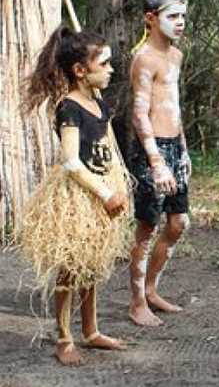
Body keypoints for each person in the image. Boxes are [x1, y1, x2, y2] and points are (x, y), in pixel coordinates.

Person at [19, 27, 131, 365]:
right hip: (79, 196)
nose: (112, 69)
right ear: (81, 70)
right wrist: (103, 192)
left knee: (93, 264)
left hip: (105, 189)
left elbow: (108, 143)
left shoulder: (97, 100)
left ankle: (91, 330)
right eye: (105, 63)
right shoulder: (69, 107)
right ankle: (65, 336)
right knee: (71, 267)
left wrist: (118, 183)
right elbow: (70, 161)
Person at [127, 0, 193, 326]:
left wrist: (182, 153)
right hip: (150, 152)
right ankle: (137, 302)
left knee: (179, 223)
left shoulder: (177, 55)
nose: (180, 22)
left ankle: (152, 289)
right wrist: (156, 162)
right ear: (151, 18)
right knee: (146, 227)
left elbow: (174, 107)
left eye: (183, 15)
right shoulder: (144, 59)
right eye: (173, 16)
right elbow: (140, 113)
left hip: (174, 148)